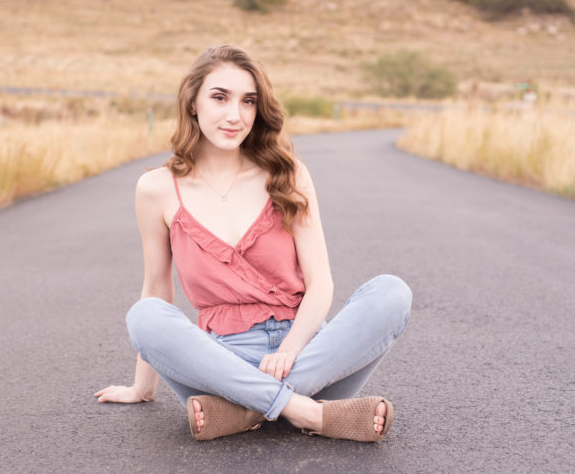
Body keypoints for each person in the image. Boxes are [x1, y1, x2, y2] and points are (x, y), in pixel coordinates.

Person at [94, 45, 412, 442]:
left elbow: (321, 284)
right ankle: (306, 412)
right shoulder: (156, 189)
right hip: (222, 366)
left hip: (308, 355)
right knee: (144, 316)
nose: (235, 115)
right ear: (192, 103)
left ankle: (247, 410)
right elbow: (157, 290)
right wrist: (143, 387)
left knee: (391, 293)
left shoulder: (288, 174)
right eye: (219, 97)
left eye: (248, 102)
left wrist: (290, 351)